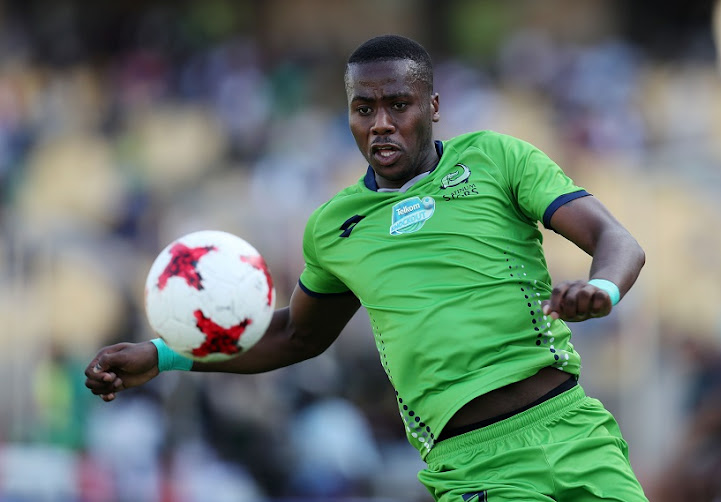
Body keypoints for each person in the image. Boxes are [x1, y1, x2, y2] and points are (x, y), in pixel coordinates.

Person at [85, 34, 648, 501]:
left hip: (571, 429)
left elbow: (615, 239)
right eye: (364, 108)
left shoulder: (499, 159)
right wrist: (163, 355)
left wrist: (602, 287)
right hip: (475, 468)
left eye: (398, 105)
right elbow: (295, 335)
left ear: (431, 106)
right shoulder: (335, 227)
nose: (381, 123)